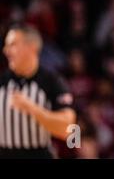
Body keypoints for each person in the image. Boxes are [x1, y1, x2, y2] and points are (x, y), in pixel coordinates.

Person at [0, 24, 76, 158]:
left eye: (12, 45)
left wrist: (32, 109)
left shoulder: (52, 81)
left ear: (32, 47)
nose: (6, 50)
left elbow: (68, 129)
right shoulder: (2, 81)